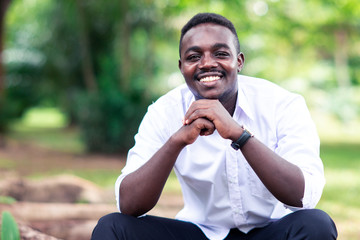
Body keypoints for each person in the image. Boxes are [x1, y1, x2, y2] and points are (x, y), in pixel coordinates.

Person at [91, 13, 337, 240]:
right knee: (112, 228)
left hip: (270, 232)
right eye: (194, 57)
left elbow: (304, 198)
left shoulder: (282, 104)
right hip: (199, 234)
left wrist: (239, 135)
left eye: (220, 54)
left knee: (316, 225)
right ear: (181, 68)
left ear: (239, 62)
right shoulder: (164, 111)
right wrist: (177, 141)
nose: (207, 64)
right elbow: (129, 205)